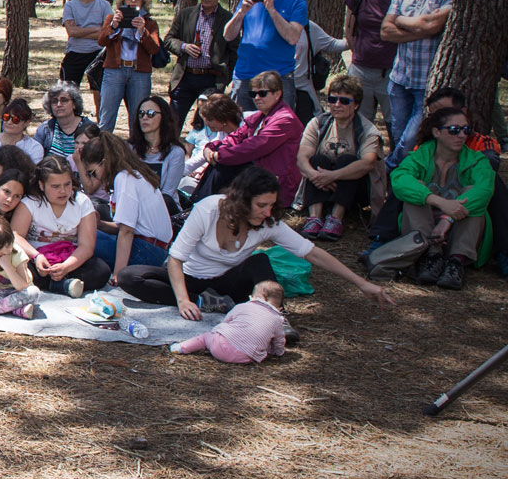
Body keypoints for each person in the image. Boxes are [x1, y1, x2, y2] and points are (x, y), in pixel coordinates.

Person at [119, 166, 394, 319]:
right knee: (130, 277)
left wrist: (361, 283)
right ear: (242, 201)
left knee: (260, 260)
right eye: (261, 205)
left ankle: (274, 315)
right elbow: (176, 258)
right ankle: (204, 302)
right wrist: (183, 301)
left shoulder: (269, 222)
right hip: (190, 279)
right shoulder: (209, 209)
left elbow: (313, 253)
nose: (267, 212)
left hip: (229, 281)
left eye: (271, 205)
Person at [391, 105, 495, 291]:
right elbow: (399, 180)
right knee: (416, 191)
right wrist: (439, 202)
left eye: (466, 130)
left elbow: (484, 190)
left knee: (472, 196)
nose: (462, 135)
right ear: (436, 132)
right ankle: (429, 256)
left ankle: (456, 262)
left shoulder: (477, 160)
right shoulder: (421, 156)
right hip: (424, 230)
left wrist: (447, 218)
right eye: (454, 130)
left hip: (459, 232)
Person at [380, 0, 456, 170]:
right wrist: (418, 27)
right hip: (400, 77)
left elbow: (433, 26)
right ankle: (402, 185)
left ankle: (390, 171)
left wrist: (402, 21)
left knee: (411, 139)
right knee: (398, 136)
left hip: (427, 81)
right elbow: (385, 29)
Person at [296, 75, 382, 240]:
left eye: (344, 101)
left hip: (355, 189)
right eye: (332, 99)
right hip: (321, 181)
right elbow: (302, 156)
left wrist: (332, 176)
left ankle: (336, 219)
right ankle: (315, 217)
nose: (337, 105)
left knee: (347, 161)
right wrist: (315, 175)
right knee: (317, 160)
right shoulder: (318, 123)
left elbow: (368, 162)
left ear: (356, 105)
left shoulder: (367, 130)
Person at [77, 132, 175, 275]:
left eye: (93, 172)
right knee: (90, 232)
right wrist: (99, 224)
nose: (94, 177)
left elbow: (127, 231)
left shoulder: (124, 178)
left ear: (104, 163)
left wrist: (119, 273)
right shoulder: (134, 174)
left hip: (146, 250)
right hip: (153, 247)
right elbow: (124, 227)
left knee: (82, 240)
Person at [200, 71, 302, 207]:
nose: (257, 98)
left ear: (277, 94)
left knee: (224, 164)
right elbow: (235, 137)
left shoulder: (285, 120)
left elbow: (254, 147)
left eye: (262, 93)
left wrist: (219, 155)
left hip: (275, 181)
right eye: (253, 94)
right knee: (222, 161)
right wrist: (212, 147)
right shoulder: (259, 116)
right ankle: (200, 205)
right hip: (257, 172)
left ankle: (201, 205)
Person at [16, 155, 109, 296]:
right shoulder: (30, 202)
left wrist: (66, 267)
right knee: (17, 268)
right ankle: (63, 284)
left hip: (70, 258)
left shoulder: (82, 202)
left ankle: (57, 282)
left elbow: (87, 246)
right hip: (37, 259)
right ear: (42, 185)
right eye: (55, 186)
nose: (63, 191)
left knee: (101, 271)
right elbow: (15, 235)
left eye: (67, 184)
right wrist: (36, 256)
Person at [223, 0, 308, 103]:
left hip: (278, 78)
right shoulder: (247, 0)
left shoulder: (297, 1)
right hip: (245, 76)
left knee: (278, 125)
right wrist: (241, 12)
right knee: (242, 124)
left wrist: (272, 10)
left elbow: (292, 37)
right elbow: (228, 36)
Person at [94, 0, 162, 134]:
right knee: (106, 117)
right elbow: (101, 41)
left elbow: (154, 49)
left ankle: (135, 154)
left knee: (138, 119)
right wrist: (113, 26)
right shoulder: (112, 18)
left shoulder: (149, 22)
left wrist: (142, 31)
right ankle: (103, 152)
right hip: (114, 71)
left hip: (139, 74)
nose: (133, 0)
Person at [163, 0, 233, 122]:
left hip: (212, 78)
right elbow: (168, 39)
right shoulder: (186, 14)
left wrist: (227, 78)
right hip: (185, 76)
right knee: (172, 123)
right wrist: (183, 46)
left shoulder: (228, 19)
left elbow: (234, 52)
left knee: (203, 124)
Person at [341, 0, 398, 132]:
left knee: (395, 125)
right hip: (361, 72)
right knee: (358, 125)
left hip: (391, 73)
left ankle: (395, 162)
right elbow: (349, 31)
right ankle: (364, 161)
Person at [169, 280, 289, 364]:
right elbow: (279, 340)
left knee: (205, 338)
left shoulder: (243, 306)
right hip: (246, 357)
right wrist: (278, 352)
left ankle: (181, 347)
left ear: (259, 297)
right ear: (279, 308)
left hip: (220, 348)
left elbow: (226, 321)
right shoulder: (278, 319)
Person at [59, 0, 113, 117]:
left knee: (100, 92)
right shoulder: (70, 5)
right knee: (67, 93)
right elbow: (72, 32)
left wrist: (82, 31)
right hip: (75, 53)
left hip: (99, 53)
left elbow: (108, 33)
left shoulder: (104, 5)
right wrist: (97, 30)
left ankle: (101, 128)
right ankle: (69, 125)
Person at [180, 92, 243, 197]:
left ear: (223, 118)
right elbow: (204, 155)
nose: (207, 124)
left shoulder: (245, 130)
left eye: (210, 120)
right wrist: (182, 170)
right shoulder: (222, 133)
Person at [130, 96, 188, 192]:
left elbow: (168, 192)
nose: (145, 117)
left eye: (151, 113)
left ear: (163, 117)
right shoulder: (129, 148)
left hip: (164, 203)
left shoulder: (175, 152)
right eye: (141, 114)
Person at [33, 81, 95, 169]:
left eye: (64, 100)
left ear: (74, 104)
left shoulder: (89, 127)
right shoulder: (45, 129)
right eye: (54, 101)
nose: (59, 105)